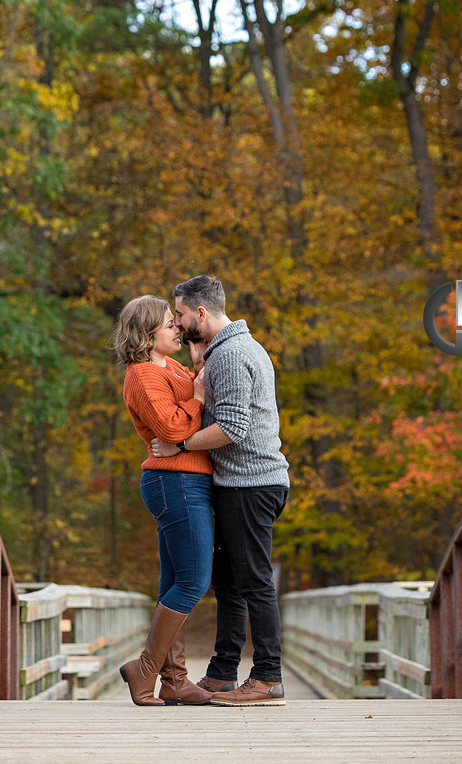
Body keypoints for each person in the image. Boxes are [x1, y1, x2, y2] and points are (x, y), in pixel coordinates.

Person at [152, 275, 290, 707]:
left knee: (252, 581)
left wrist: (180, 444)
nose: (176, 323)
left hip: (251, 483)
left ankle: (267, 677)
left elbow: (232, 427)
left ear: (200, 313)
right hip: (245, 482)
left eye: (179, 314)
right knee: (229, 583)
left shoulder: (231, 355)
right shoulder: (230, 350)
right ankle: (222, 672)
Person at [114, 295, 216, 707]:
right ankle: (145, 669)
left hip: (187, 479)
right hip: (174, 483)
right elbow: (172, 427)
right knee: (193, 581)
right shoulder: (141, 375)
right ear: (146, 332)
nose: (177, 328)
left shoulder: (168, 365)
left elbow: (190, 389)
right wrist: (201, 398)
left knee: (175, 581)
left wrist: (198, 363)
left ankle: (174, 680)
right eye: (168, 324)